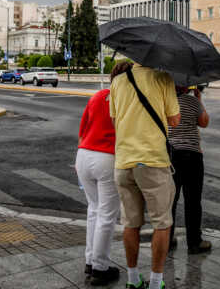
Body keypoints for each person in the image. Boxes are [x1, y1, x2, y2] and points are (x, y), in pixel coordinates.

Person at [109, 62, 180, 289]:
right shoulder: (163, 78)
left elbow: (114, 120)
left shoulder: (118, 81)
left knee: (131, 223)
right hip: (152, 160)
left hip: (123, 161)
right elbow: (175, 120)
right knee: (162, 223)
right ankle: (156, 282)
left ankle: (132, 279)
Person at [76, 62, 130, 286]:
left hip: (84, 155)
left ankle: (90, 260)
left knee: (93, 210)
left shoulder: (97, 96)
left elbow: (82, 130)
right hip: (107, 157)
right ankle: (100, 267)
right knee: (107, 215)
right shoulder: (126, 100)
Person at [168, 85, 211, 255]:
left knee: (170, 200)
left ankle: (167, 238)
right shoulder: (192, 101)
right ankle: (194, 242)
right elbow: (204, 122)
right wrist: (199, 99)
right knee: (193, 201)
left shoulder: (165, 102)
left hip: (171, 156)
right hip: (192, 156)